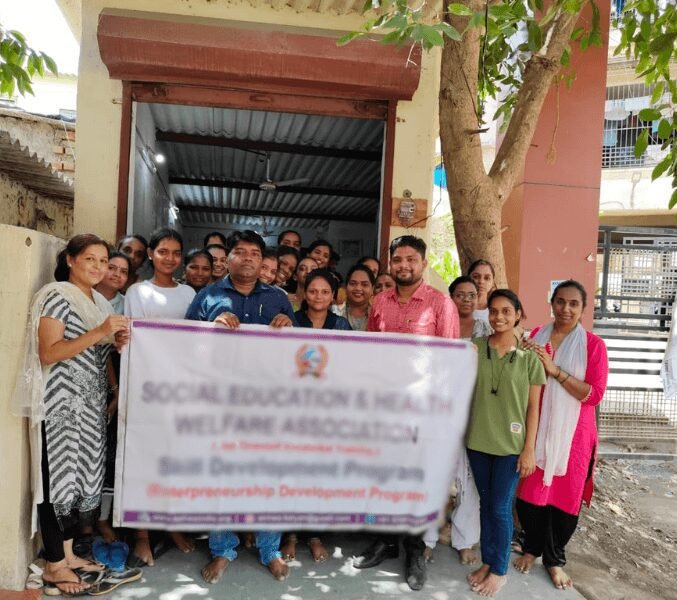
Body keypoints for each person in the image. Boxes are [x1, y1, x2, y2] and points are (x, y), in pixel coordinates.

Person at [14, 234, 131, 596]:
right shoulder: (56, 296)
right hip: (61, 407)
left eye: (104, 261)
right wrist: (100, 332)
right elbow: (49, 352)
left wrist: (114, 352)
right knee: (57, 482)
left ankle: (67, 555)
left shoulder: (97, 301)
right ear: (70, 260)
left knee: (79, 482)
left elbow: (97, 351)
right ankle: (53, 566)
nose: (98, 267)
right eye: (90, 259)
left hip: (90, 409)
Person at [185, 230, 294, 583]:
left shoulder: (278, 298)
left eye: (255, 253)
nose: (248, 258)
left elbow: (298, 351)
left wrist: (288, 326)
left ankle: (270, 549)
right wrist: (209, 327)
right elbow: (182, 345)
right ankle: (222, 549)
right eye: (241, 252)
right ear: (227, 258)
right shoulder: (208, 296)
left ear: (263, 261)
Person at [355, 235, 459, 591]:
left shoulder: (441, 304)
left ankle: (414, 551)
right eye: (397, 259)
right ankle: (384, 542)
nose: (403, 265)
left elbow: (450, 362)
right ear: (390, 263)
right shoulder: (380, 302)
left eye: (411, 259)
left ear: (423, 263)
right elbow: (371, 351)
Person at [513, 281, 608, 591]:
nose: (565, 309)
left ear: (583, 309)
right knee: (530, 494)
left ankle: (554, 560)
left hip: (574, 436)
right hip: (536, 428)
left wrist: (555, 371)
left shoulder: (593, 346)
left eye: (573, 304)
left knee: (565, 498)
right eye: (560, 302)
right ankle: (531, 549)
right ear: (551, 302)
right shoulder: (535, 337)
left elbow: (594, 395)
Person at [465, 289, 545, 597]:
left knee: (499, 507)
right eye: (494, 311)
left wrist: (529, 449)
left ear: (518, 315)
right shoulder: (474, 348)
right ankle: (488, 561)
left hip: (511, 446)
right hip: (478, 441)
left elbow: (534, 407)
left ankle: (499, 571)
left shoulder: (530, 357)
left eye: (506, 311)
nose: (499, 317)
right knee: (486, 504)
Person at [124, 228, 196, 565]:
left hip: (181, 390)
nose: (170, 258)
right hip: (146, 387)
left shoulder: (189, 294)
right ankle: (142, 535)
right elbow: (132, 338)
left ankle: (171, 526)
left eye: (176, 253)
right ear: (151, 254)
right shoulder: (137, 292)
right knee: (143, 457)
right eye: (163, 251)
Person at [333, 264, 375, 331]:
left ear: (372, 289)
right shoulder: (334, 311)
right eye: (353, 283)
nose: (358, 288)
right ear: (346, 287)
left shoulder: (379, 315)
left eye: (364, 284)